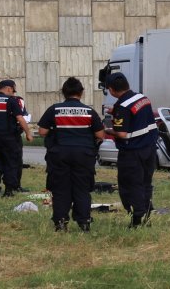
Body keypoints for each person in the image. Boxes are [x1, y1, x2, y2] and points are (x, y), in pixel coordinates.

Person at [38, 77, 105, 232]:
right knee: (82, 189)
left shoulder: (54, 109)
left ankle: (61, 223)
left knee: (60, 189)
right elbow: (100, 135)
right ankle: (84, 222)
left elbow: (42, 131)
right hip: (84, 156)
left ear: (63, 92)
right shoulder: (89, 112)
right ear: (81, 93)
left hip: (59, 155)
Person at [104, 72, 158, 228]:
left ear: (112, 89)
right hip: (149, 149)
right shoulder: (142, 98)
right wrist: (116, 113)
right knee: (145, 183)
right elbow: (138, 119)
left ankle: (136, 220)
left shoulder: (122, 106)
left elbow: (121, 133)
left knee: (129, 185)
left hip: (132, 152)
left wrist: (108, 130)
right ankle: (147, 215)